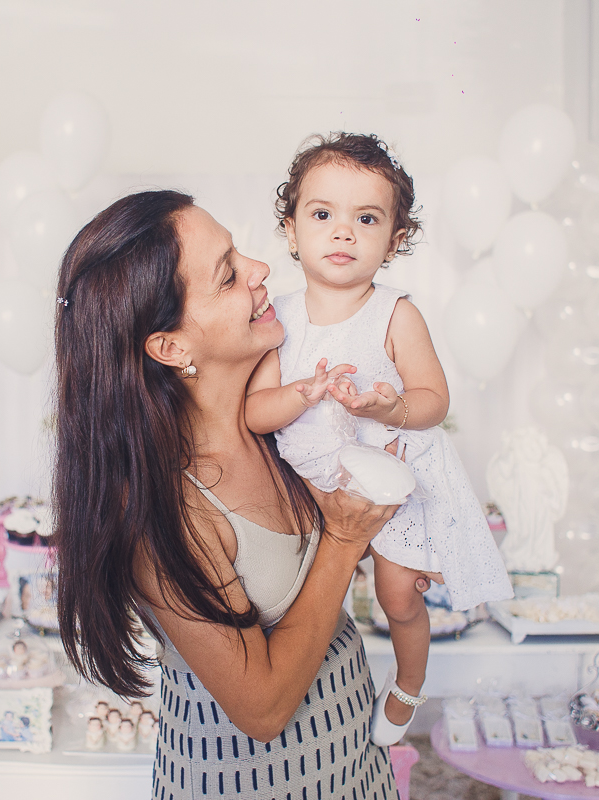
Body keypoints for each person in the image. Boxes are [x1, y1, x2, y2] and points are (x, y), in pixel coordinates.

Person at [53, 190, 420, 799]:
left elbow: (308, 570)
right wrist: (345, 538)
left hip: (354, 769)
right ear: (170, 347)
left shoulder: (283, 418)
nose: (261, 270)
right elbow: (262, 708)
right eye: (228, 275)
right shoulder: (163, 509)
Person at [245, 133, 513, 745]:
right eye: (322, 215)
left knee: (397, 596)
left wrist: (393, 405)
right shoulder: (276, 321)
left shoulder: (395, 313)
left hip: (392, 476)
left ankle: (408, 682)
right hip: (311, 485)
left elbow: (433, 401)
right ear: (291, 231)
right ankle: (301, 690)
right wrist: (303, 395)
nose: (344, 233)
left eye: (366, 219)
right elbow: (258, 414)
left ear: (394, 241)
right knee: (295, 596)